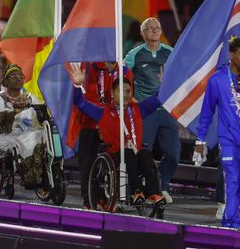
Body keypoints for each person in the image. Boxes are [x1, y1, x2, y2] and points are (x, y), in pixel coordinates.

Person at [69, 63, 164, 209]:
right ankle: (136, 192)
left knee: (145, 154)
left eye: (128, 91)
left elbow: (158, 99)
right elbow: (81, 103)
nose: (125, 94)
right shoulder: (103, 112)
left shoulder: (138, 109)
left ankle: (154, 193)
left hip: (135, 152)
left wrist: (163, 84)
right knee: (128, 154)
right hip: (115, 155)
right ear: (112, 94)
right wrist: (76, 85)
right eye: (121, 91)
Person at [194, 37, 240, 229]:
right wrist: (200, 140)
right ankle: (231, 221)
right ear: (231, 55)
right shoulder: (217, 80)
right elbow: (207, 112)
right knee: (231, 179)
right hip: (228, 139)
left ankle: (231, 216)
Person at [124, 17, 178, 204]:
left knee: (173, 153)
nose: (155, 31)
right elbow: (123, 77)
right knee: (142, 151)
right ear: (142, 33)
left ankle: (162, 185)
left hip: (167, 109)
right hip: (145, 109)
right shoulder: (134, 54)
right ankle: (138, 188)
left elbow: (182, 76)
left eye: (157, 27)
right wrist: (130, 97)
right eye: (150, 28)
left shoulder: (170, 53)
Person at [0, 64, 48, 188]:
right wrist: (14, 112)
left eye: (20, 76)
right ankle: (24, 174)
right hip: (5, 134)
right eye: (13, 76)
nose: (18, 78)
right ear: (5, 81)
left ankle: (39, 176)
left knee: (42, 139)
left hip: (26, 132)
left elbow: (41, 114)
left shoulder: (29, 98)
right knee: (18, 143)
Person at [71, 62, 117, 208]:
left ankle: (107, 199)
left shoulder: (123, 71)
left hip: (111, 124)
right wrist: (77, 85)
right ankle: (89, 202)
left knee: (114, 164)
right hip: (89, 123)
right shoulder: (89, 67)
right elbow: (83, 99)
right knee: (88, 165)